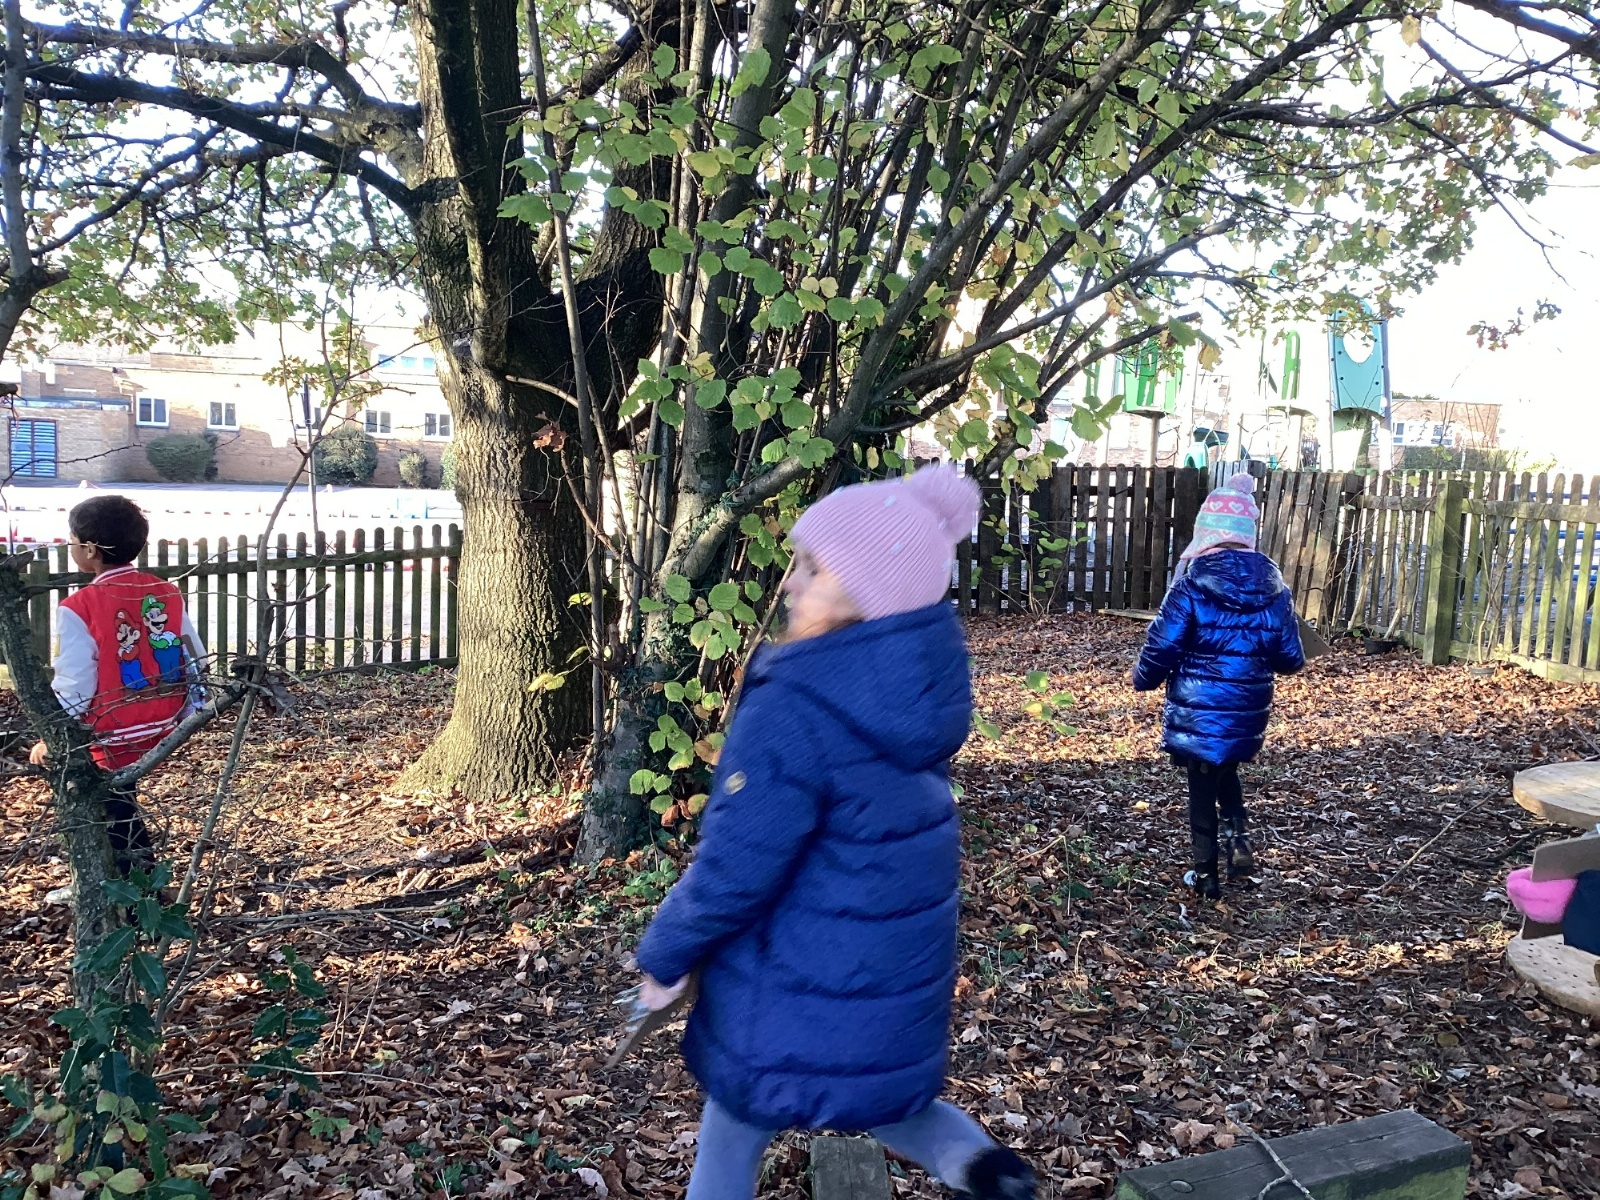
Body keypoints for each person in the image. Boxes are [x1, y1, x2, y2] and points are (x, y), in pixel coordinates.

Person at [631, 467, 1035, 1200]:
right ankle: (982, 1167)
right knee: (886, 1100)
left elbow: (737, 866)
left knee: (735, 1122)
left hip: (789, 979)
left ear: (865, 594)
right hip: (885, 982)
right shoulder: (914, 697)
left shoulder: (796, 706)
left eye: (814, 569)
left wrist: (666, 953)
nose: (790, 582)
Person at [1132, 473, 1303, 900]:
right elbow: (1290, 658)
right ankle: (1239, 838)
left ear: (1205, 534)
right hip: (1246, 706)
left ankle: (1205, 875)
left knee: (1202, 783)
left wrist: (1144, 678)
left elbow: (1163, 644)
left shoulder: (1190, 586)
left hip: (1198, 707)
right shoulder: (1276, 591)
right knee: (1225, 766)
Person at [29, 495, 208, 874]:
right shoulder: (166, 591)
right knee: (118, 804)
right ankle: (125, 881)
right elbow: (194, 654)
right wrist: (195, 710)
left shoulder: (78, 607)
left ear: (90, 550)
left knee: (110, 810)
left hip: (110, 733)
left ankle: (130, 885)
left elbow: (75, 683)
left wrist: (54, 737)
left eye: (72, 540)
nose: (70, 546)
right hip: (162, 724)